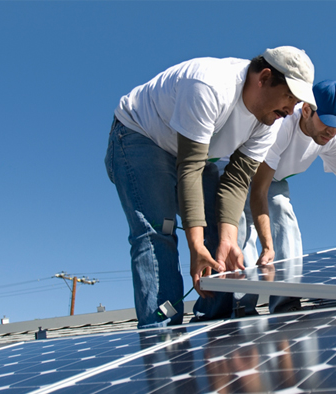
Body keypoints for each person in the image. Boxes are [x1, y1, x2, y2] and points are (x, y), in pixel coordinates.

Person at [105, 46, 316, 328]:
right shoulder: (210, 86)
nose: (292, 109)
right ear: (264, 78)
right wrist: (195, 245)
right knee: (160, 229)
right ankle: (162, 336)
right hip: (142, 134)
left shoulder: (271, 120)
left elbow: (237, 180)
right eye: (289, 96)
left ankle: (214, 327)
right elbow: (189, 166)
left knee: (219, 240)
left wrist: (227, 241)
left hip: (197, 155)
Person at [242, 80, 336, 314]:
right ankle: (241, 305)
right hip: (242, 173)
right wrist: (267, 245)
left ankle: (287, 303)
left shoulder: (332, 139)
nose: (332, 131)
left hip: (274, 180)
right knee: (245, 230)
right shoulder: (281, 126)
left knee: (283, 213)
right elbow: (258, 190)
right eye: (328, 123)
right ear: (307, 110)